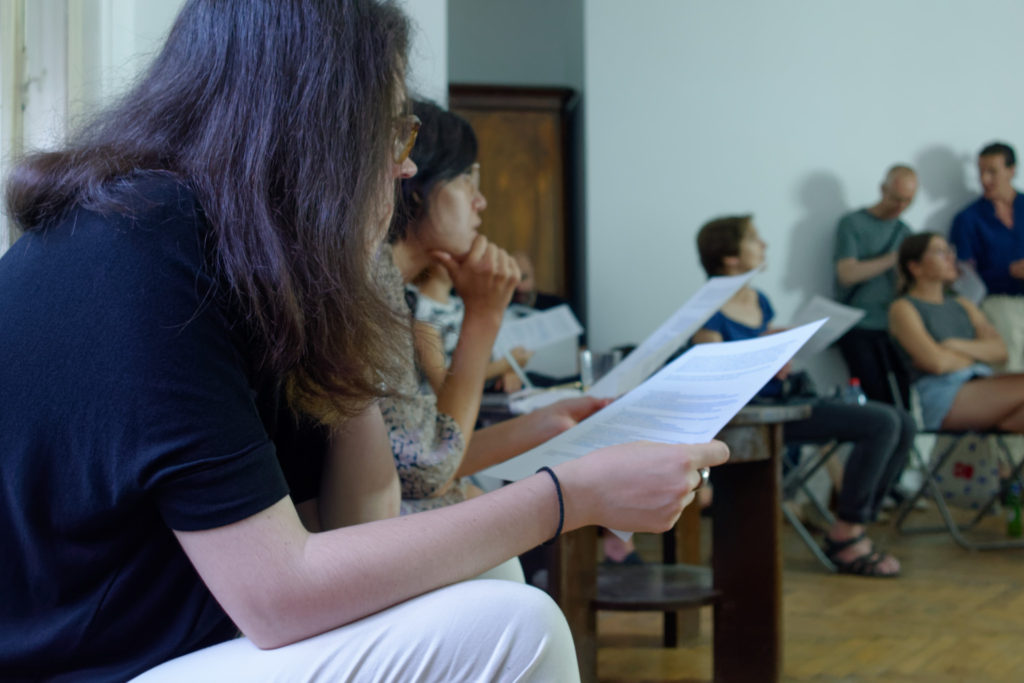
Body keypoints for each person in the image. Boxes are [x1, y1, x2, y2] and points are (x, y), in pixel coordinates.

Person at [0, 2, 730, 680]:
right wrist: (570, 496)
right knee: (517, 625)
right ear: (315, 128)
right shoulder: (148, 248)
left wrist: (345, 293)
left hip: (184, 633)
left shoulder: (236, 253)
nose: (404, 164)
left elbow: (360, 518)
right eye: (390, 130)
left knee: (491, 575)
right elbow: (279, 591)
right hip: (93, 666)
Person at [382, 101, 611, 524]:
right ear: (412, 182)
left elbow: (429, 458)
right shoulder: (376, 301)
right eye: (465, 179)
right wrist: (484, 315)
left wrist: (552, 421)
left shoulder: (397, 295)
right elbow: (427, 468)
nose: (481, 201)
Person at [694, 215, 915, 577]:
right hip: (749, 415)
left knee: (903, 421)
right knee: (882, 423)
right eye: (753, 238)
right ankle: (847, 535)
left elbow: (764, 354)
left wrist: (779, 349)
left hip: (783, 402)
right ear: (730, 258)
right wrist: (760, 356)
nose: (764, 245)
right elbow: (711, 379)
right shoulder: (706, 308)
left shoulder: (759, 299)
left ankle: (854, 524)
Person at [889, 232, 1024, 435]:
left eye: (950, 251)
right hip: (944, 394)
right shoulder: (903, 308)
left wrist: (953, 344)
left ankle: (1000, 436)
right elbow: (936, 363)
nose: (951, 257)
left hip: (983, 383)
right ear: (915, 267)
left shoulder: (963, 304)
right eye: (939, 252)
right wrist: (978, 355)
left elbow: (1000, 351)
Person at [834, 165, 918, 406]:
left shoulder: (904, 231)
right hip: (858, 324)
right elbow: (847, 274)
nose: (901, 206)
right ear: (883, 190)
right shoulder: (852, 223)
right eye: (896, 198)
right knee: (874, 399)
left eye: (908, 201)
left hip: (892, 326)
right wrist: (893, 258)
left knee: (902, 397)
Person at [949, 142, 1024, 372]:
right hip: (996, 301)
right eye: (981, 172)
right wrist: (1010, 271)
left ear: (1012, 170)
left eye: (992, 172)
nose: (984, 179)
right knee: (1011, 357)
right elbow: (962, 278)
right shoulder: (968, 219)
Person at [408, 261, 533, 393]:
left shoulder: (459, 304)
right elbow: (442, 382)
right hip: (450, 400)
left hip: (482, 392)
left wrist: (507, 371)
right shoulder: (420, 309)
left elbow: (481, 356)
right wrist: (504, 365)